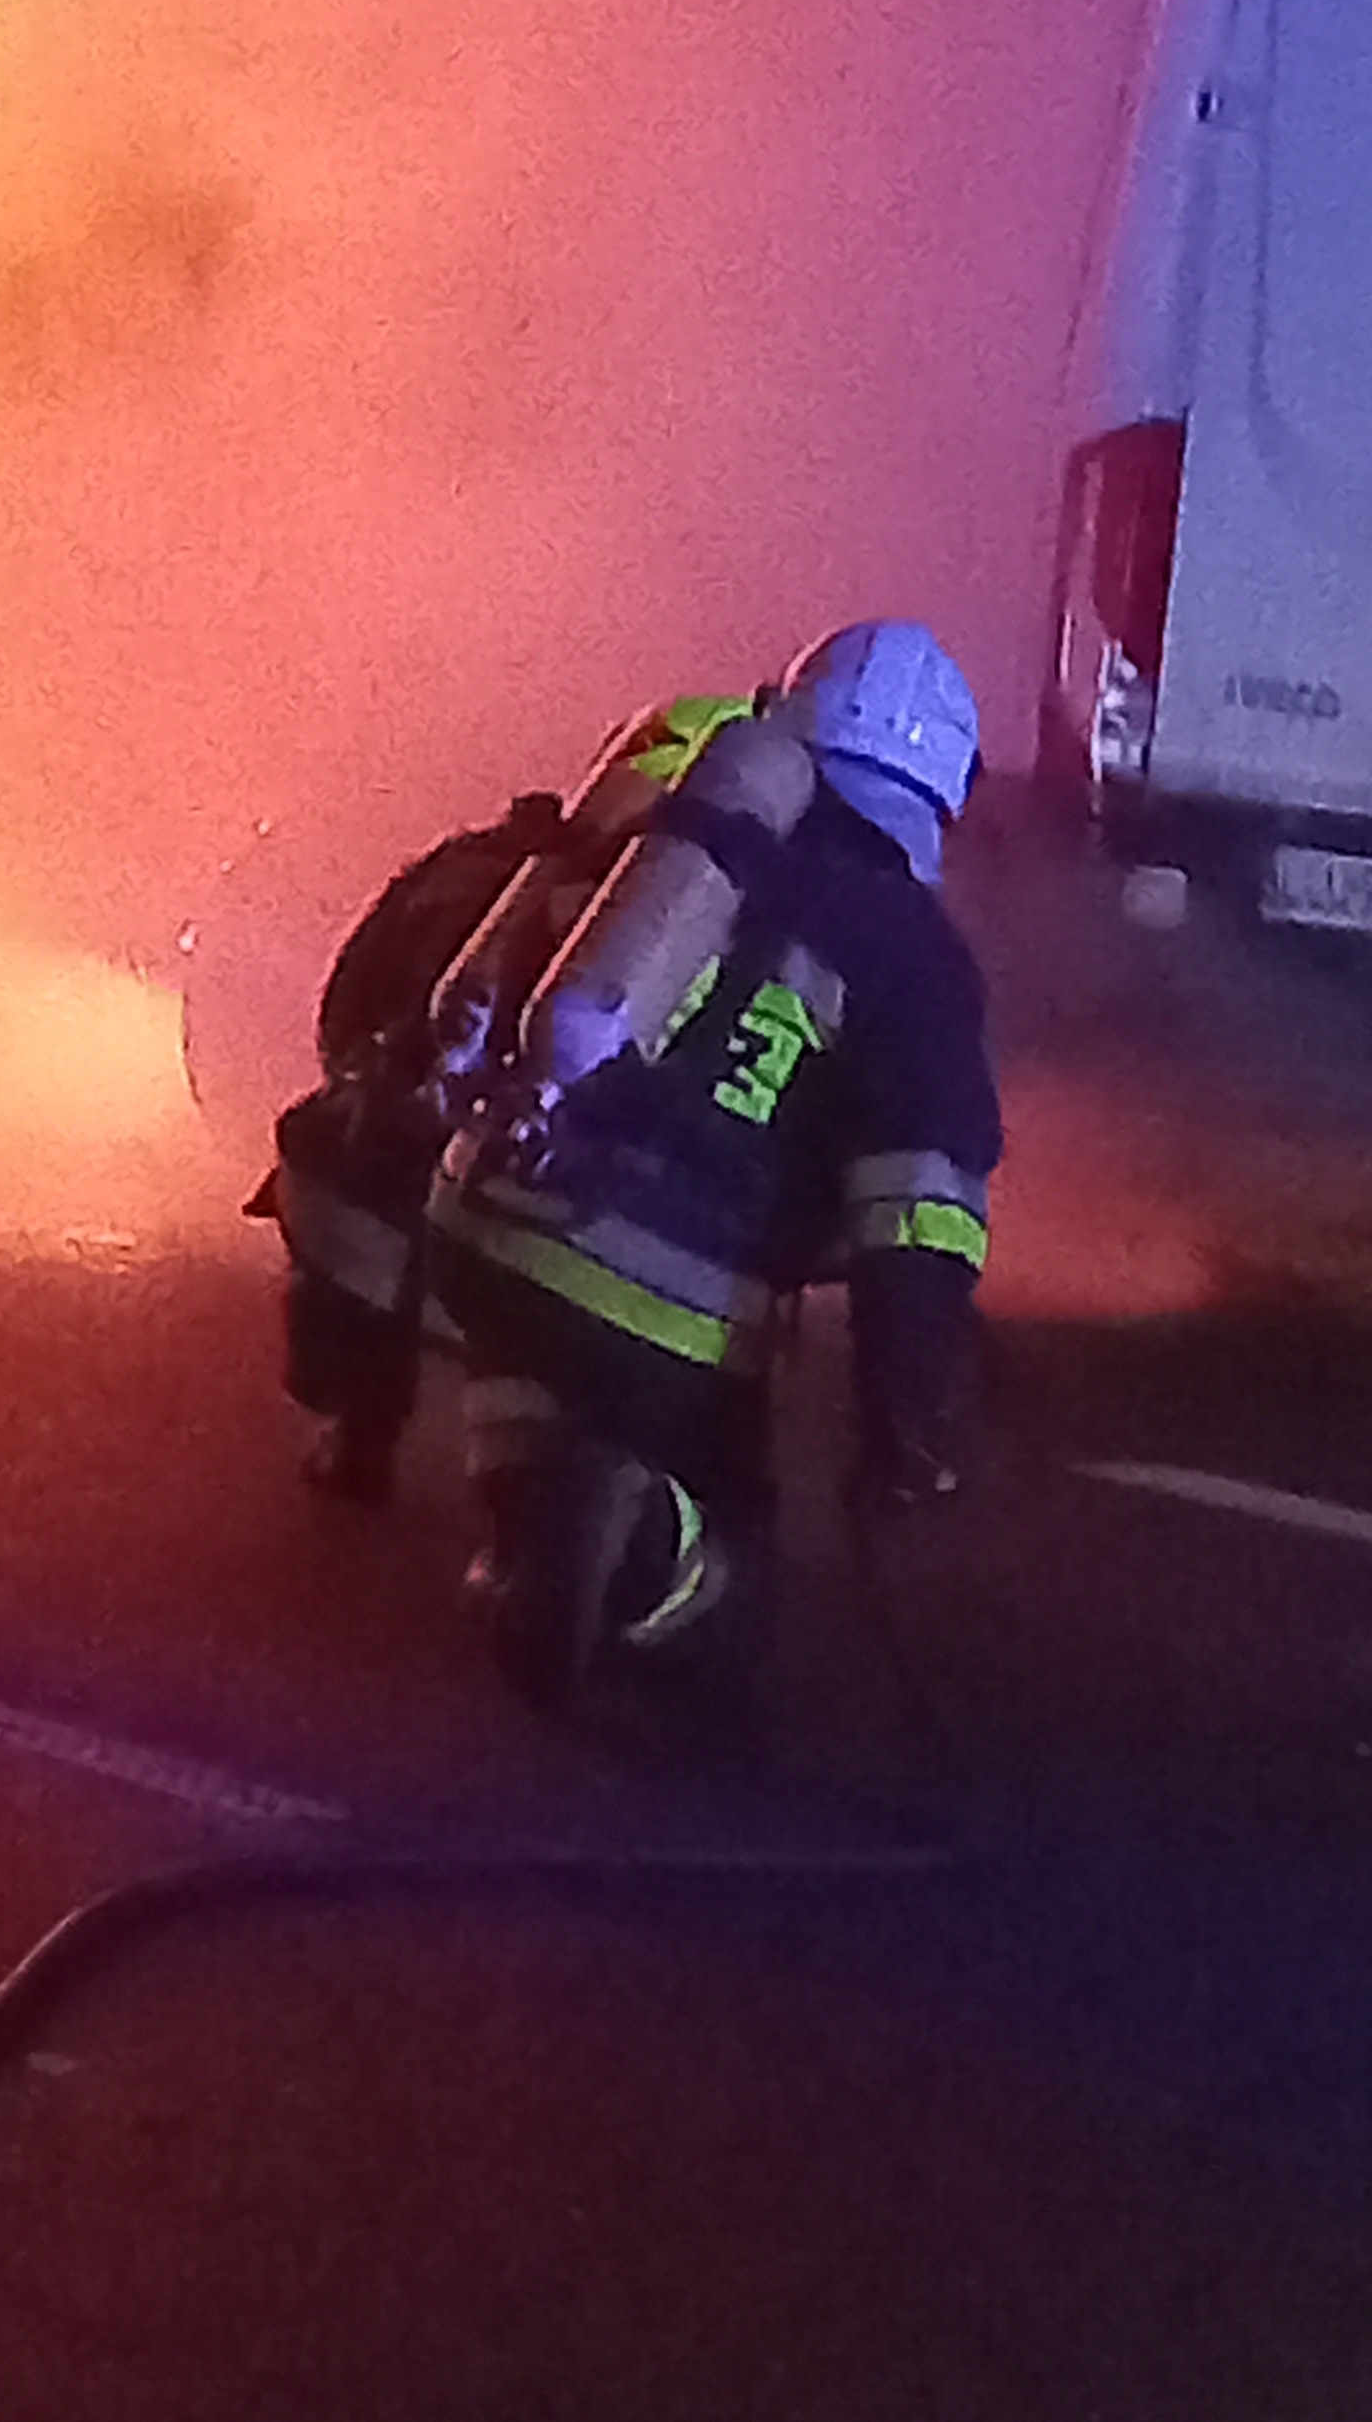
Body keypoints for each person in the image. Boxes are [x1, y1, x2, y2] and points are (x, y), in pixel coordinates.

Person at [421, 618, 1001, 1695]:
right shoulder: (913, 951)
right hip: (661, 1294)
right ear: (937, 791)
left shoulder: (662, 834)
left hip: (483, 1212)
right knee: (732, 1584)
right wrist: (906, 1417)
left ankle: (539, 1510)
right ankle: (652, 1537)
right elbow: (920, 1210)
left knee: (539, 1363)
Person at [253, 694, 754, 1502]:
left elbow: (345, 1013)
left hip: (388, 1212)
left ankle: (358, 1431)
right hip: (591, 1253)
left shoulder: (478, 869)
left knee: (343, 1161)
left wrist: (386, 1097)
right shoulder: (741, 927)